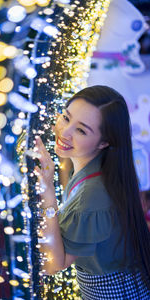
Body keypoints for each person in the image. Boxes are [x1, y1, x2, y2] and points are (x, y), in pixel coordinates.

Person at [34, 85, 150, 299]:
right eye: (66, 118)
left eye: (81, 130)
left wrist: (48, 192)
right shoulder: (102, 166)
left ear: (105, 142)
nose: (65, 132)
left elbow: (53, 265)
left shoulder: (93, 196)